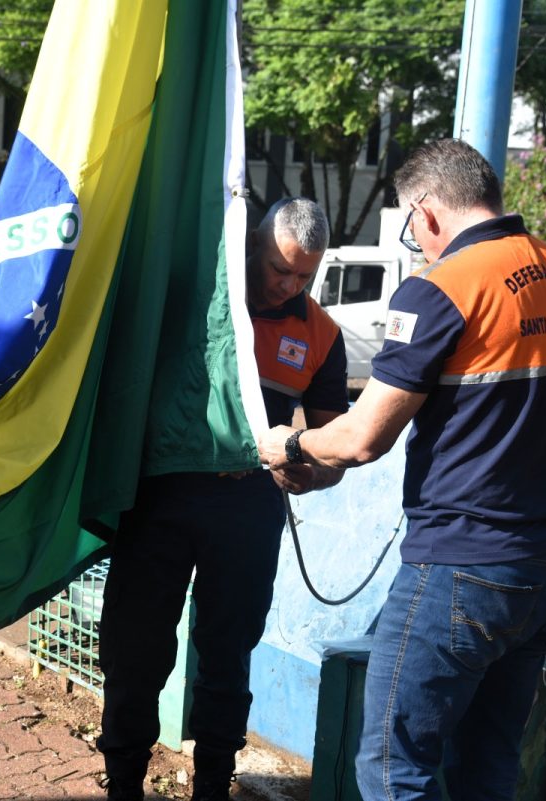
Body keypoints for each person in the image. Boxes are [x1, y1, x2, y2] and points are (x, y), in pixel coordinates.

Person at [257, 139, 546, 801]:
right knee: (489, 768)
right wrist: (538, 469)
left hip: (458, 569)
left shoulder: (442, 288)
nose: (417, 242)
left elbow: (363, 438)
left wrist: (288, 448)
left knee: (392, 769)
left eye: (413, 228)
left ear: (428, 213)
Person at [97, 198, 350, 801]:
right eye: (277, 269)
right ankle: (123, 780)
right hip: (159, 497)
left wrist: (307, 469)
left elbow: (331, 443)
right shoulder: (197, 299)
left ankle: (213, 782)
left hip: (247, 509)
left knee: (228, 655)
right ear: (251, 247)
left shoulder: (321, 334)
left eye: (303, 277)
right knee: (134, 650)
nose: (287, 286)